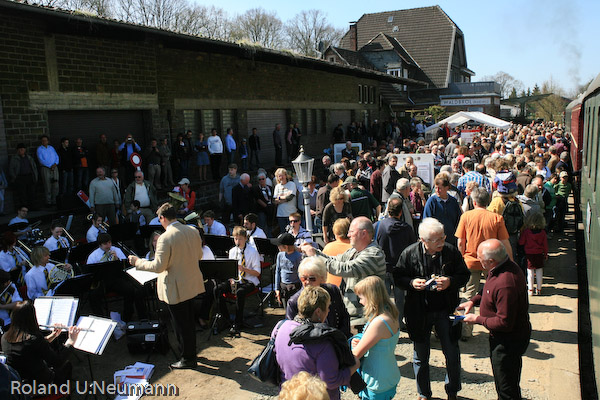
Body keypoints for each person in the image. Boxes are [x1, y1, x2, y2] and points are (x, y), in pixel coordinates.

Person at [394, 218, 470, 400]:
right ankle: (424, 393)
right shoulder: (409, 253)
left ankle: (452, 391)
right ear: (423, 240)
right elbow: (398, 277)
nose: (441, 242)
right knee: (420, 356)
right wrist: (412, 283)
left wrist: (450, 281)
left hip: (446, 309)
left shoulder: (451, 251)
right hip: (419, 311)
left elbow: (464, 274)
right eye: (437, 240)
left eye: (443, 237)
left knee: (452, 353)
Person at [128, 203, 205, 369]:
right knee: (188, 322)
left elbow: (158, 266)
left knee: (180, 325)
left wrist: (137, 262)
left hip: (176, 288)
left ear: (162, 218)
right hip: (190, 283)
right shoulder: (192, 231)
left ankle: (187, 358)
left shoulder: (165, 237)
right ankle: (190, 353)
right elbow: (199, 255)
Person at [458, 239, 531, 400]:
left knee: (506, 385)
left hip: (508, 341)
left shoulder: (506, 283)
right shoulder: (500, 267)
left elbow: (504, 322)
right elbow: (488, 289)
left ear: (491, 261)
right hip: (502, 337)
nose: (478, 260)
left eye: (480, 258)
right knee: (504, 380)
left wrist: (477, 319)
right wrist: (473, 301)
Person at [274, 286, 360, 400]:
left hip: (289, 394)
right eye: (328, 307)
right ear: (318, 311)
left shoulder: (280, 327)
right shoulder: (323, 342)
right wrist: (354, 366)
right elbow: (330, 381)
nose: (329, 311)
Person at [301, 217, 386, 322]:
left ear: (364, 233)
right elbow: (335, 260)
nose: (348, 235)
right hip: (357, 315)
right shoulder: (354, 251)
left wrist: (315, 256)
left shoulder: (374, 254)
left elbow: (344, 268)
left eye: (351, 231)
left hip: (368, 315)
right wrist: (313, 251)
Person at [455, 187, 511, 340]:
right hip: (493, 262)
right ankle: (494, 324)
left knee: (469, 295)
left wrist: (461, 258)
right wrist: (510, 262)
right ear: (488, 201)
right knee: (495, 293)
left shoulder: (466, 217)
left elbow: (460, 242)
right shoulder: (496, 218)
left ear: (473, 202)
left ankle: (466, 330)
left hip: (471, 261)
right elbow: (505, 243)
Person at [1, 300, 80, 385]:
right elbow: (57, 362)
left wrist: (53, 335)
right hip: (40, 383)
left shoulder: (4, 337)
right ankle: (61, 390)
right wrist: (71, 341)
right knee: (67, 366)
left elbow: (32, 347)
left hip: (20, 380)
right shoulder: (34, 340)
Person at [351, 276, 401, 400]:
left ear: (370, 297)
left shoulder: (379, 322)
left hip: (376, 380)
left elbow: (356, 354)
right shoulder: (391, 313)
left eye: (361, 297)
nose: (360, 302)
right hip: (389, 375)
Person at [375, 197, 416, 329]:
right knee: (400, 299)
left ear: (388, 210)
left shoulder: (378, 226)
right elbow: (413, 249)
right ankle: (398, 323)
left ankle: (384, 324)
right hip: (400, 270)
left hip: (383, 267)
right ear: (401, 212)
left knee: (383, 299)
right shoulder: (407, 229)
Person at [87, 233, 148, 322]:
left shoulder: (117, 250)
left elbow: (125, 266)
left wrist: (116, 259)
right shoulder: (93, 256)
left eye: (109, 243)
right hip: (101, 281)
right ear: (100, 245)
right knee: (93, 296)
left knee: (130, 290)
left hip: (115, 279)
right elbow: (90, 272)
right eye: (105, 244)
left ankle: (127, 317)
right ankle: (101, 320)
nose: (108, 246)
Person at [286, 256, 351, 338]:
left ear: (322, 278)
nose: (307, 282)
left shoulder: (333, 291)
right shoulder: (294, 301)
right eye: (304, 278)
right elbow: (291, 329)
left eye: (312, 278)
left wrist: (340, 338)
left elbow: (344, 317)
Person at [215, 226, 261, 334]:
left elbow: (257, 273)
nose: (237, 241)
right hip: (236, 279)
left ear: (245, 238)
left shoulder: (253, 252)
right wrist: (231, 279)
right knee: (217, 289)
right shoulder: (232, 251)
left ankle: (238, 322)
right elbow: (230, 270)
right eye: (236, 239)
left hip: (249, 280)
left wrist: (244, 269)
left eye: (240, 239)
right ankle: (226, 318)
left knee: (240, 292)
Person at [423, 174, 462, 246]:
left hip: (451, 239)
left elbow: (459, 220)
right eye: (436, 188)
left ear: (446, 188)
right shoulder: (432, 201)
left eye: (440, 188)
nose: (437, 190)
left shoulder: (453, 201)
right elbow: (427, 220)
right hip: (436, 240)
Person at [518, 212, 548, 295]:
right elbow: (545, 245)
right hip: (539, 253)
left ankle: (530, 289)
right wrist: (546, 254)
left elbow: (521, 242)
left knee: (530, 272)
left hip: (529, 254)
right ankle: (539, 289)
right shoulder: (543, 232)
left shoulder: (526, 232)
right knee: (539, 270)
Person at [272, 233, 302, 309]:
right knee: (286, 308)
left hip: (294, 287)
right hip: (283, 286)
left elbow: (300, 274)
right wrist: (277, 288)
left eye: (279, 245)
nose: (278, 247)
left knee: (295, 308)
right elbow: (277, 271)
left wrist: (302, 290)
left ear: (286, 246)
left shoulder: (298, 256)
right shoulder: (280, 255)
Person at [322, 218, 352, 286]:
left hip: (330, 286)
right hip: (350, 287)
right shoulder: (355, 248)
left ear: (335, 232)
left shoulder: (328, 247)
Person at [9, 144, 38, 210]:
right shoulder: (14, 158)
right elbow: (11, 169)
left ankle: (32, 206)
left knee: (31, 192)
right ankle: (24, 207)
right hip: (20, 177)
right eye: (19, 149)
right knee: (22, 193)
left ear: (25, 150)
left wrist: (35, 176)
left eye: (22, 149)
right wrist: (14, 177)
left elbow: (34, 167)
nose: (20, 151)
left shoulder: (29, 158)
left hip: (29, 176)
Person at [36, 135, 60, 207]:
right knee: (47, 185)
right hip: (46, 168)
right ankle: (48, 202)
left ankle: (55, 200)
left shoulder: (51, 148)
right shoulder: (39, 149)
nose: (44, 142)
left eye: (45, 140)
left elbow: (56, 157)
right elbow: (41, 160)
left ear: (48, 141)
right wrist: (50, 166)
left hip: (54, 168)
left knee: (55, 185)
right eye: (43, 140)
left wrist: (55, 164)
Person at [273, 168, 297, 233]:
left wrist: (279, 198)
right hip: (280, 214)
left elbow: (290, 197)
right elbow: (274, 201)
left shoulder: (292, 184)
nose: (281, 177)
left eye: (282, 175)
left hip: (291, 213)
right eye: (279, 176)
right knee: (283, 233)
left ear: (286, 175)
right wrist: (285, 198)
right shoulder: (277, 187)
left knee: (292, 232)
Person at [252, 172, 274, 237]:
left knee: (270, 225)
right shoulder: (256, 189)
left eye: (263, 179)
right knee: (262, 225)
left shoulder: (270, 188)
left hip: (270, 209)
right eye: (260, 179)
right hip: (261, 209)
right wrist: (266, 206)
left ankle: (270, 238)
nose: (261, 180)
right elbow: (258, 199)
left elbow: (273, 197)